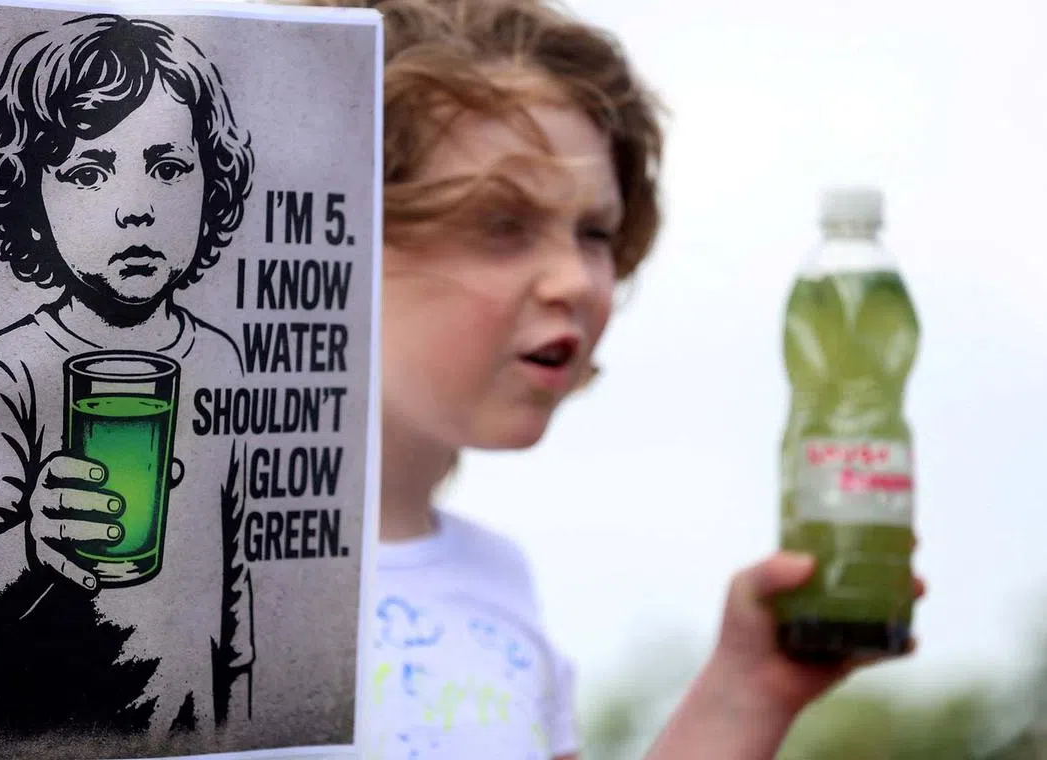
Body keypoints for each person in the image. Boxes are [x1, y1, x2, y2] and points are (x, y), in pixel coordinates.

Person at [288, 0, 924, 758]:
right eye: (501, 224)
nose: (577, 281)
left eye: (595, 233)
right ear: (325, 230)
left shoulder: (498, 587)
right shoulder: (145, 571)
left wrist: (744, 690)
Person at [0, 13, 256, 741]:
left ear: (211, 182)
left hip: (190, 733)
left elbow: (233, 581)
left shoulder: (225, 361)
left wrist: (240, 718)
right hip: (33, 738)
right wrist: (31, 548)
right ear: (30, 202)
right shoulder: (8, 365)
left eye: (167, 169)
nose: (135, 206)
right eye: (87, 171)